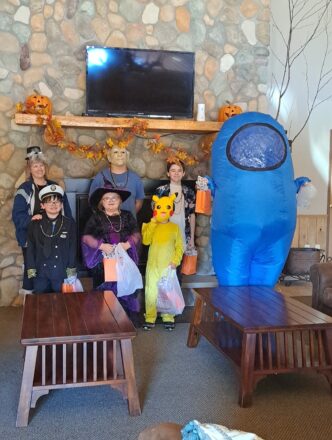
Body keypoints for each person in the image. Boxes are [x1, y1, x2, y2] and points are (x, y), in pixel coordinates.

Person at [12, 146, 72, 294]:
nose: (39, 169)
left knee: (56, 270)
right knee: (33, 270)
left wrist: (69, 230)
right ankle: (33, 302)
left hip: (56, 236)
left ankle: (56, 300)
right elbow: (17, 215)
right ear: (29, 168)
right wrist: (31, 219)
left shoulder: (55, 187)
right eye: (35, 166)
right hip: (33, 238)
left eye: (41, 165)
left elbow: (66, 212)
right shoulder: (24, 189)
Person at [81, 184, 141, 316]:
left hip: (125, 258)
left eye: (114, 197)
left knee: (125, 288)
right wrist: (102, 246)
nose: (111, 200)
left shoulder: (127, 216)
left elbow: (136, 234)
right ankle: (106, 321)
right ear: (102, 202)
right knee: (106, 291)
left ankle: (125, 321)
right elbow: (86, 237)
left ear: (120, 200)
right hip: (104, 262)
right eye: (106, 198)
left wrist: (127, 244)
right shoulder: (96, 217)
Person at [142, 194, 184, 331]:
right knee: (151, 291)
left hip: (168, 266)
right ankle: (150, 316)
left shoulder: (175, 228)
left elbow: (179, 247)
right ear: (155, 209)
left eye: (167, 207)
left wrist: (175, 261)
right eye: (160, 207)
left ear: (171, 209)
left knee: (168, 291)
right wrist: (153, 223)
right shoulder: (150, 225)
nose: (163, 210)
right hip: (153, 265)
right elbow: (146, 241)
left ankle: (168, 316)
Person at [25, 184, 77, 293]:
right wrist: (31, 269)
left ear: (62, 205)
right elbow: (30, 248)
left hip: (60, 271)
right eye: (49, 202)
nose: (53, 204)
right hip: (40, 272)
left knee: (61, 304)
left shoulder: (69, 223)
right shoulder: (34, 224)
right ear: (42, 205)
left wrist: (71, 270)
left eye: (57, 201)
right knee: (41, 303)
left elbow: (73, 248)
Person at [88, 145, 145, 217]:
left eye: (123, 152)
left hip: (129, 225)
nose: (119, 155)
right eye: (115, 152)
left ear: (127, 157)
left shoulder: (135, 178)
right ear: (109, 157)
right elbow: (92, 201)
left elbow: (139, 203)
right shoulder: (100, 177)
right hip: (106, 224)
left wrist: (128, 218)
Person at [155, 161, 196, 251]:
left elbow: (192, 215)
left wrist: (192, 239)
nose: (176, 173)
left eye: (179, 170)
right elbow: (155, 215)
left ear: (183, 173)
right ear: (168, 173)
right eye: (173, 170)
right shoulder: (161, 191)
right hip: (165, 233)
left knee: (182, 262)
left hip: (183, 232)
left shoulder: (189, 192)